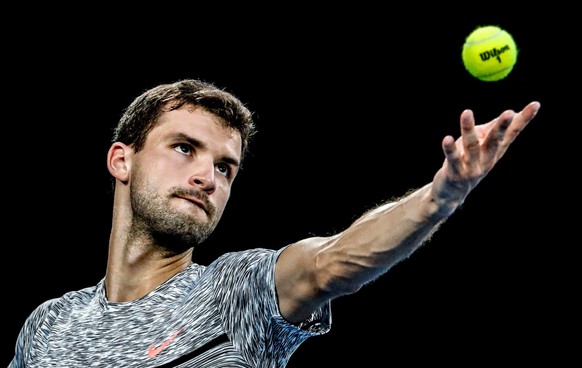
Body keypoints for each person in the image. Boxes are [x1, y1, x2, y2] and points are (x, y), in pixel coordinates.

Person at [9, 78, 541, 368]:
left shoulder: (233, 293)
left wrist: (438, 199)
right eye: (184, 149)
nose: (207, 177)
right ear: (122, 160)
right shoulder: (48, 326)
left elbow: (328, 263)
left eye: (224, 167)